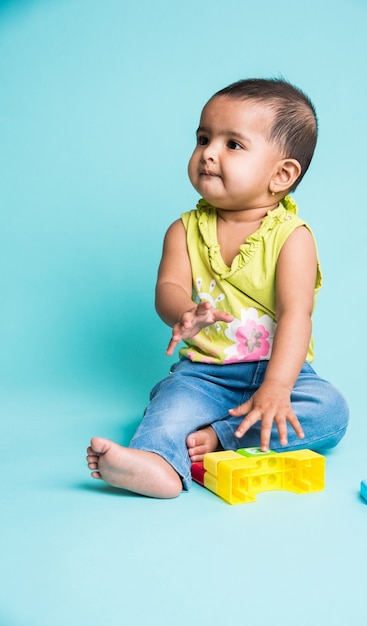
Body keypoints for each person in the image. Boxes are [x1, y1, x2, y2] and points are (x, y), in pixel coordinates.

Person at [86, 77, 349, 499]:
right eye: (203, 138)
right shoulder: (184, 230)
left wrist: (277, 390)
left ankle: (219, 435)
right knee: (170, 404)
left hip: (284, 372)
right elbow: (168, 286)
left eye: (233, 144)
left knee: (330, 411)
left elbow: (296, 314)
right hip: (206, 374)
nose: (208, 152)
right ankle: (157, 465)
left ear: (281, 174)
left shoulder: (292, 237)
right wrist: (184, 313)